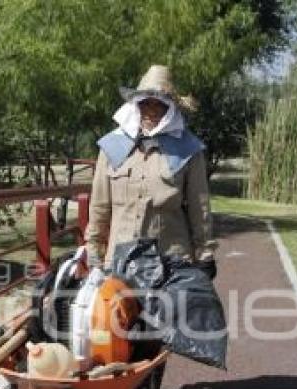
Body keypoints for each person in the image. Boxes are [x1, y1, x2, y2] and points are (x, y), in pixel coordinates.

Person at [85, 65, 217, 279]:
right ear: (135, 105)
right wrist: (94, 252)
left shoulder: (189, 150)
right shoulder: (111, 148)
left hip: (172, 263)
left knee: (179, 312)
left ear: (170, 109)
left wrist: (205, 253)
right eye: (145, 103)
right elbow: (99, 206)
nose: (152, 110)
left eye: (160, 104)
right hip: (120, 263)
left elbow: (199, 207)